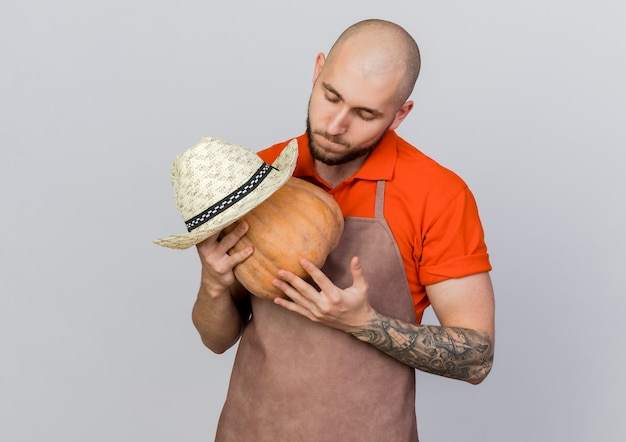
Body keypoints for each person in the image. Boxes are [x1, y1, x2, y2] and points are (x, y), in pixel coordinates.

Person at [192, 19, 494, 441]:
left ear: (400, 113)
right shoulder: (256, 177)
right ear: (318, 70)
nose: (335, 125)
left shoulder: (438, 195)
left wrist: (363, 323)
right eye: (330, 96)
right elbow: (216, 340)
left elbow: (477, 358)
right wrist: (213, 283)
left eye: (365, 113)